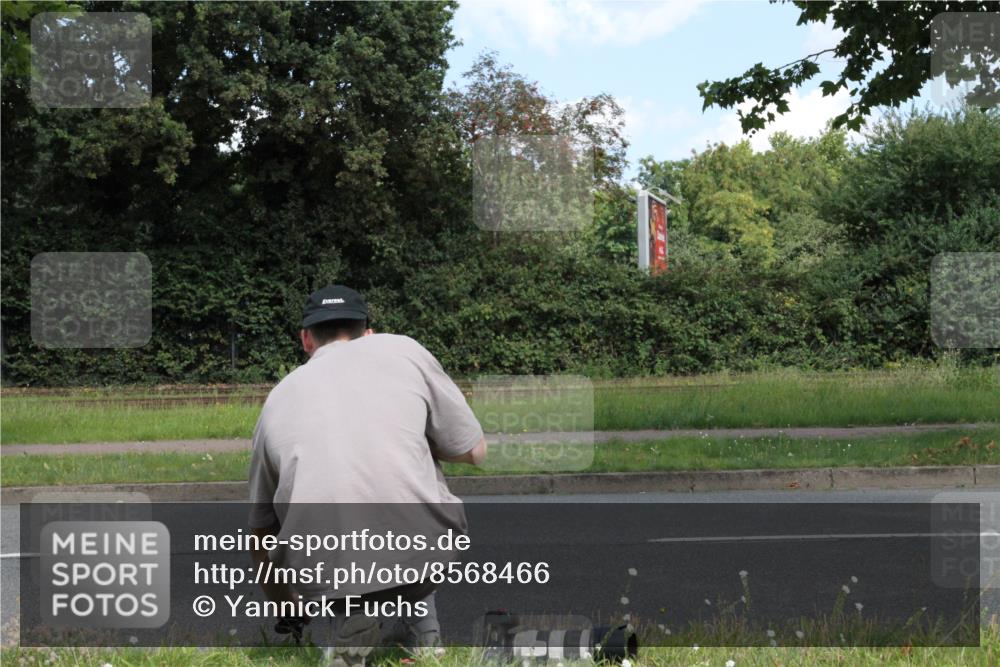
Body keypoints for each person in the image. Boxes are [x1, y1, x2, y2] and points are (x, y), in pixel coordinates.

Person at [247, 284, 486, 667]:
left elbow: (261, 531)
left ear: (306, 339)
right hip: (423, 554)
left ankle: (351, 619)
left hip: (328, 569)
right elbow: (475, 452)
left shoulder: (276, 400)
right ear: (369, 333)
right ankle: (425, 637)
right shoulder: (403, 350)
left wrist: (287, 607)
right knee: (407, 479)